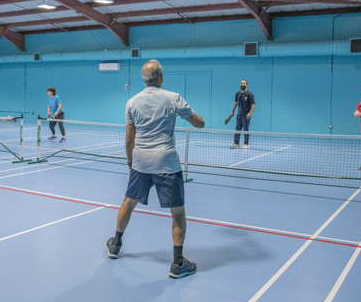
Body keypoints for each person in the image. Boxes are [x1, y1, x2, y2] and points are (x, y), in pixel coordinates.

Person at [106, 60, 205, 279]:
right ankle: (178, 263)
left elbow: (129, 139)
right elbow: (199, 123)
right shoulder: (173, 98)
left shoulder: (131, 102)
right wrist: (185, 113)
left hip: (141, 162)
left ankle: (115, 244)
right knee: (177, 213)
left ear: (144, 79)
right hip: (167, 163)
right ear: (161, 77)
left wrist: (131, 164)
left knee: (128, 203)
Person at [229, 80, 255, 149]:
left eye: (244, 83)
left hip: (246, 115)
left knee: (245, 129)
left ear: (247, 85)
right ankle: (236, 144)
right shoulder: (237, 93)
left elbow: (253, 105)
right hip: (239, 115)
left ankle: (246, 144)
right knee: (237, 129)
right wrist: (233, 112)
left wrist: (250, 113)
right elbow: (236, 103)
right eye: (241, 83)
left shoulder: (250, 94)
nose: (242, 84)